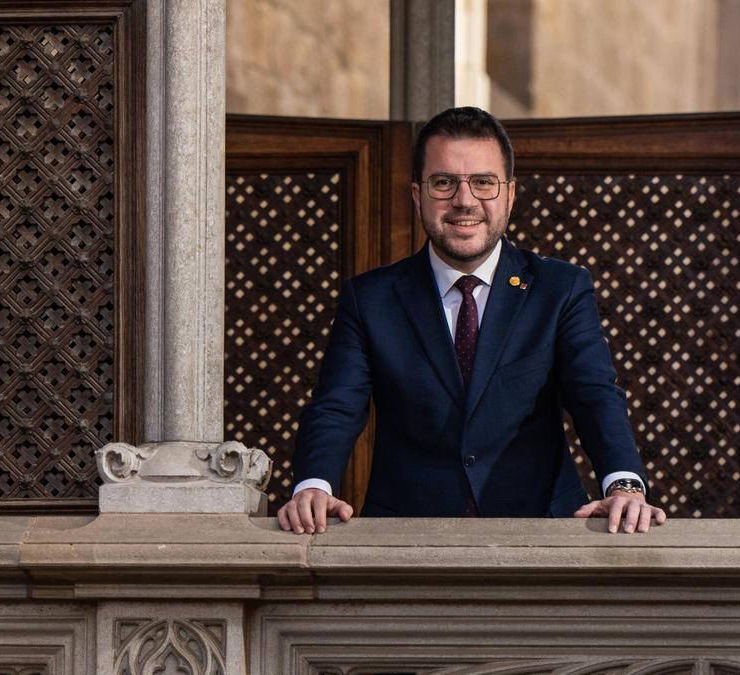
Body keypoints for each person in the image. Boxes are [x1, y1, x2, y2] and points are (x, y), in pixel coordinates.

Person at [278, 106, 666, 534]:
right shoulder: (369, 299)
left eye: (483, 182)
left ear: (510, 195)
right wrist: (312, 486)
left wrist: (625, 484)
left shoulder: (561, 289)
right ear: (416, 194)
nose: (465, 200)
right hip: (404, 544)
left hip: (543, 538)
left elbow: (594, 394)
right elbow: (336, 406)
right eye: (444, 182)